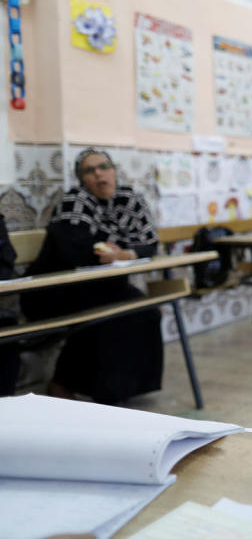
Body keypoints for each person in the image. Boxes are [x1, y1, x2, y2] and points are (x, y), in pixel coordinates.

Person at [19, 148, 163, 404]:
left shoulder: (129, 201)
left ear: (114, 171)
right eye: (89, 170)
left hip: (102, 286)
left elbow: (149, 245)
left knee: (145, 310)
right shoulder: (74, 202)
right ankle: (71, 384)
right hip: (53, 289)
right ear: (81, 179)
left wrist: (124, 255)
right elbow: (76, 253)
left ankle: (123, 389)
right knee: (111, 315)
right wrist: (109, 253)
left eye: (104, 167)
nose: (99, 174)